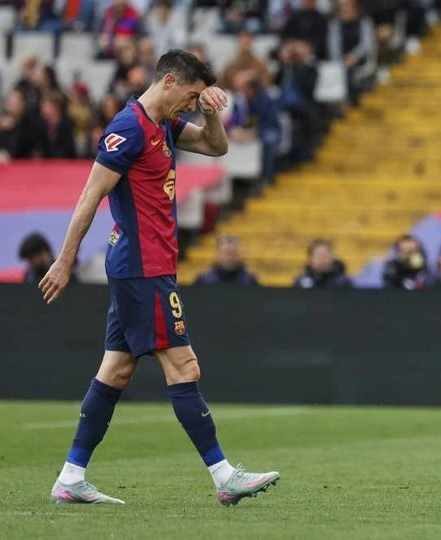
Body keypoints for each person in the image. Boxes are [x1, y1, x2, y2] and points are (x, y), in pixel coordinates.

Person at [38, 49, 279, 506]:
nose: (191, 104)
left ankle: (70, 477)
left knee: (116, 369)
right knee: (184, 366)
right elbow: (90, 195)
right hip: (142, 266)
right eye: (190, 95)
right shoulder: (129, 129)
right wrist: (65, 260)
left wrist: (210, 113)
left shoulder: (163, 123)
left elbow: (216, 147)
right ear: (168, 81)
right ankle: (224, 476)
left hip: (148, 264)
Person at [194, 235, 260, 286]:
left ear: (239, 255)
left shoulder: (249, 280)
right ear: (217, 255)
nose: (229, 258)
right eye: (226, 253)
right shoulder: (205, 280)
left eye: (233, 253)